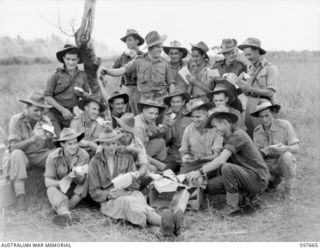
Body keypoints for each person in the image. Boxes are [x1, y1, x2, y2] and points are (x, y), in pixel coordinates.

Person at [186, 106, 270, 215]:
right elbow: (217, 159)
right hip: (245, 175)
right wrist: (204, 176)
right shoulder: (227, 136)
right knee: (210, 186)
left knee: (227, 168)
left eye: (215, 127)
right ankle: (244, 197)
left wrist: (199, 172)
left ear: (225, 123)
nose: (215, 130)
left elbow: (221, 160)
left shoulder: (238, 135)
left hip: (258, 179)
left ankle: (232, 206)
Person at [88, 129, 162, 231]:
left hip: (130, 192)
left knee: (138, 199)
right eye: (108, 144)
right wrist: (110, 194)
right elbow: (94, 192)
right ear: (102, 145)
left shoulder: (126, 155)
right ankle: (163, 224)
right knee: (130, 202)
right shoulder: (95, 162)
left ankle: (161, 228)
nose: (112, 147)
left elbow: (135, 186)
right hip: (110, 200)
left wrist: (133, 177)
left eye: (114, 143)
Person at [3, 91, 55, 211]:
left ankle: (56, 191)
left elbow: (51, 147)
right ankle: (21, 197)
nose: (39, 113)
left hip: (40, 155)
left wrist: (51, 138)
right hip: (23, 156)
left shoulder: (46, 120)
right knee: (16, 154)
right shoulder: (16, 120)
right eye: (36, 110)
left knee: (56, 153)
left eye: (41, 110)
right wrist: (33, 139)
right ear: (27, 108)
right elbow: (14, 147)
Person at [99, 31, 175, 102]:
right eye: (158, 47)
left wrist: (171, 100)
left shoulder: (165, 64)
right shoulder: (138, 61)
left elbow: (171, 83)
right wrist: (106, 71)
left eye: (161, 47)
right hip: (145, 103)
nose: (161, 50)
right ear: (150, 47)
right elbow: (121, 70)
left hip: (162, 101)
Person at [227, 38, 278, 137]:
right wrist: (240, 83)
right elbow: (247, 92)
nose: (248, 57)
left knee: (266, 134)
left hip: (265, 106)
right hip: (250, 105)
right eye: (246, 55)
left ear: (257, 51)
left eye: (249, 54)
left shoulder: (271, 68)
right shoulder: (249, 69)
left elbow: (271, 92)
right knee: (251, 133)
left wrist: (250, 88)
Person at [251, 100, 299, 200]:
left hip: (282, 163)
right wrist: (264, 151)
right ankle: (271, 182)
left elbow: (296, 148)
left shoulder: (285, 125)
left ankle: (288, 192)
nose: (264, 119)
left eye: (267, 115)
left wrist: (286, 148)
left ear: (272, 113)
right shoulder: (256, 131)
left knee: (287, 156)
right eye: (261, 117)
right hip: (267, 165)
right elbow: (256, 156)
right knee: (252, 165)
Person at [44, 128, 89, 227]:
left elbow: (82, 182)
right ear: (62, 144)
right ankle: (67, 215)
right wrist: (59, 183)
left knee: (88, 177)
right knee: (51, 189)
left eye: (76, 143)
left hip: (78, 192)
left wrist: (76, 174)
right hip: (63, 191)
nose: (74, 147)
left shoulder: (83, 155)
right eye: (70, 144)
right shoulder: (52, 157)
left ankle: (62, 209)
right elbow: (47, 181)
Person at [44, 44, 91, 136]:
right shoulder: (56, 75)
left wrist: (82, 94)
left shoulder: (82, 75)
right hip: (53, 113)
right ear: (64, 59)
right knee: (59, 139)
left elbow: (87, 94)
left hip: (69, 113)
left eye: (73, 59)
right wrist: (62, 110)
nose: (70, 62)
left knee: (75, 137)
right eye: (68, 59)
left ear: (78, 60)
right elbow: (47, 96)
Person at [179, 98, 222, 174]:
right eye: (192, 117)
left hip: (210, 163)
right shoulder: (189, 129)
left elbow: (216, 155)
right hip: (193, 163)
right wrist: (184, 157)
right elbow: (183, 150)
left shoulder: (216, 129)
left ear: (207, 115)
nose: (194, 120)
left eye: (198, 117)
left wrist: (201, 158)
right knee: (182, 180)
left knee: (199, 180)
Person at [112, 29, 145, 115]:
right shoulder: (123, 56)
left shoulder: (143, 56)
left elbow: (146, 71)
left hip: (139, 90)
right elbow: (114, 69)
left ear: (137, 41)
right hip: (126, 89)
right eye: (126, 40)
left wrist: (135, 57)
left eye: (129, 40)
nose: (127, 42)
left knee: (138, 114)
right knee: (125, 115)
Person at [162, 90, 192, 173]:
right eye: (173, 102)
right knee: (161, 172)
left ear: (183, 102)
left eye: (178, 102)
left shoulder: (190, 115)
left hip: (188, 153)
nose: (175, 105)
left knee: (184, 177)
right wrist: (169, 128)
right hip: (173, 153)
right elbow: (166, 141)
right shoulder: (167, 116)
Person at [135, 99, 167, 171]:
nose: (154, 116)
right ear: (143, 111)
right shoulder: (139, 127)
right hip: (135, 154)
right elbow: (138, 151)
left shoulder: (149, 120)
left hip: (144, 146)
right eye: (151, 113)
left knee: (161, 142)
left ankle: (157, 164)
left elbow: (152, 135)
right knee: (156, 168)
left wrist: (158, 131)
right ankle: (152, 166)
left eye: (156, 114)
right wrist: (158, 164)